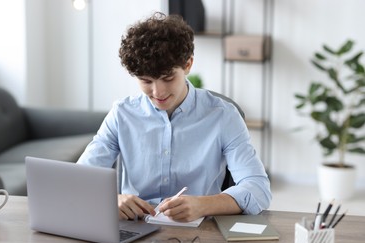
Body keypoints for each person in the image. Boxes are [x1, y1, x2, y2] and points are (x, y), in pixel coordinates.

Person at [78, 12, 271, 222]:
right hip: (134, 230)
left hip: (199, 233)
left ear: (188, 64)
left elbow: (258, 189)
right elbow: (78, 180)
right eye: (146, 81)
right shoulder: (121, 114)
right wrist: (111, 200)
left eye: (168, 78)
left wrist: (203, 205)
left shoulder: (223, 116)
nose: (158, 92)